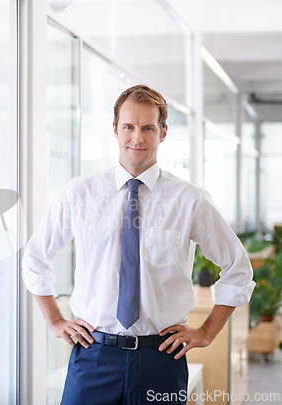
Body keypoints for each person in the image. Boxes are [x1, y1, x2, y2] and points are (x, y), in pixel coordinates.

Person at [21, 84, 255, 404]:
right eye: (129, 127)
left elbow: (238, 269)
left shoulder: (189, 200)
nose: (138, 138)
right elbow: (34, 258)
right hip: (93, 358)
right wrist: (55, 320)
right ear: (115, 129)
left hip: (160, 359)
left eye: (148, 128)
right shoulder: (80, 194)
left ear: (163, 133)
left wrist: (207, 332)